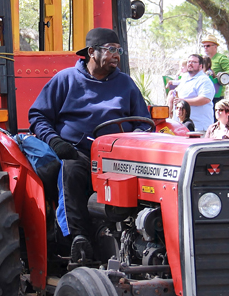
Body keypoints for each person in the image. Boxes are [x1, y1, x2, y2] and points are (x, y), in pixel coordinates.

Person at [29, 28, 149, 262]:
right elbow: (38, 116)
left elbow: (144, 122)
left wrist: (133, 141)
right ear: (91, 52)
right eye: (111, 49)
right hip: (79, 152)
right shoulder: (65, 79)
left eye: (119, 50)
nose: (116, 55)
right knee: (71, 169)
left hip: (119, 155)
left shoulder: (126, 84)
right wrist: (55, 140)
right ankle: (77, 239)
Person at [166, 54, 215, 131]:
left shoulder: (204, 80)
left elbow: (205, 99)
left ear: (200, 66)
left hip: (197, 127)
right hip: (181, 127)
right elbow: (179, 94)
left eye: (194, 62)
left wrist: (184, 102)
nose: (190, 64)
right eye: (189, 62)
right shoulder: (185, 78)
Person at [200, 34, 229, 109]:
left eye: (208, 46)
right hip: (202, 94)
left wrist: (221, 75)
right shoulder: (201, 58)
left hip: (216, 95)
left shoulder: (221, 58)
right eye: (204, 46)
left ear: (215, 46)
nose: (205, 48)